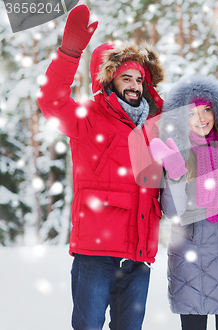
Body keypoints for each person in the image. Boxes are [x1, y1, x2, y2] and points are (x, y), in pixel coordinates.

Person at [38, 5, 165, 330]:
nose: (135, 85)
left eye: (140, 78)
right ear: (110, 79)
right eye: (127, 77)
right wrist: (69, 53)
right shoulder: (89, 116)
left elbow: (170, 181)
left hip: (138, 256)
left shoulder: (154, 127)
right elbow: (51, 101)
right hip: (96, 253)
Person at [149, 75, 218, 330]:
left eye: (207, 109)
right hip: (191, 266)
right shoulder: (179, 154)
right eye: (192, 113)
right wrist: (175, 175)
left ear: (217, 111)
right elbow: (174, 212)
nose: (201, 119)